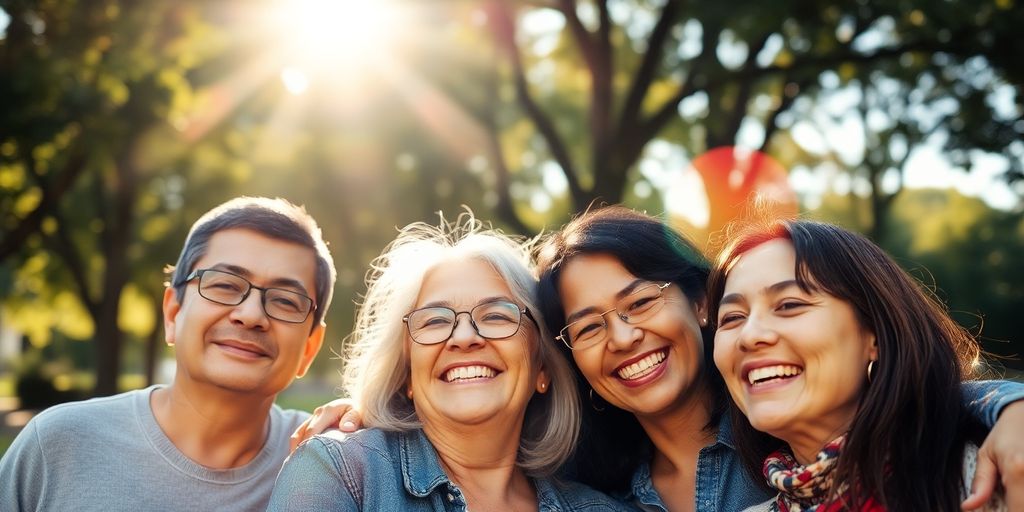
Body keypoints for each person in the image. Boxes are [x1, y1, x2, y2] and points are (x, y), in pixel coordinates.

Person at [531, 206, 1024, 511]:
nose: (621, 336)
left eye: (641, 302)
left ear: (701, 304)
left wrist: (1007, 406)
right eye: (589, 327)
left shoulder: (783, 416)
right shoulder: (587, 492)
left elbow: (918, 394)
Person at [267, 214, 627, 511]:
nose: (465, 336)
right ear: (407, 372)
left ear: (543, 367)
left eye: (497, 316)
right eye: (435, 321)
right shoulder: (340, 473)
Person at [0, 197, 336, 511]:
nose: (250, 315)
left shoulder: (335, 465)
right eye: (225, 285)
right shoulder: (57, 446)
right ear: (173, 314)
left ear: (309, 347)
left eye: (285, 301)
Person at [709, 219, 1005, 511]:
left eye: (789, 305)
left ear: (874, 335)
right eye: (732, 318)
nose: (749, 336)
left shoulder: (990, 479)